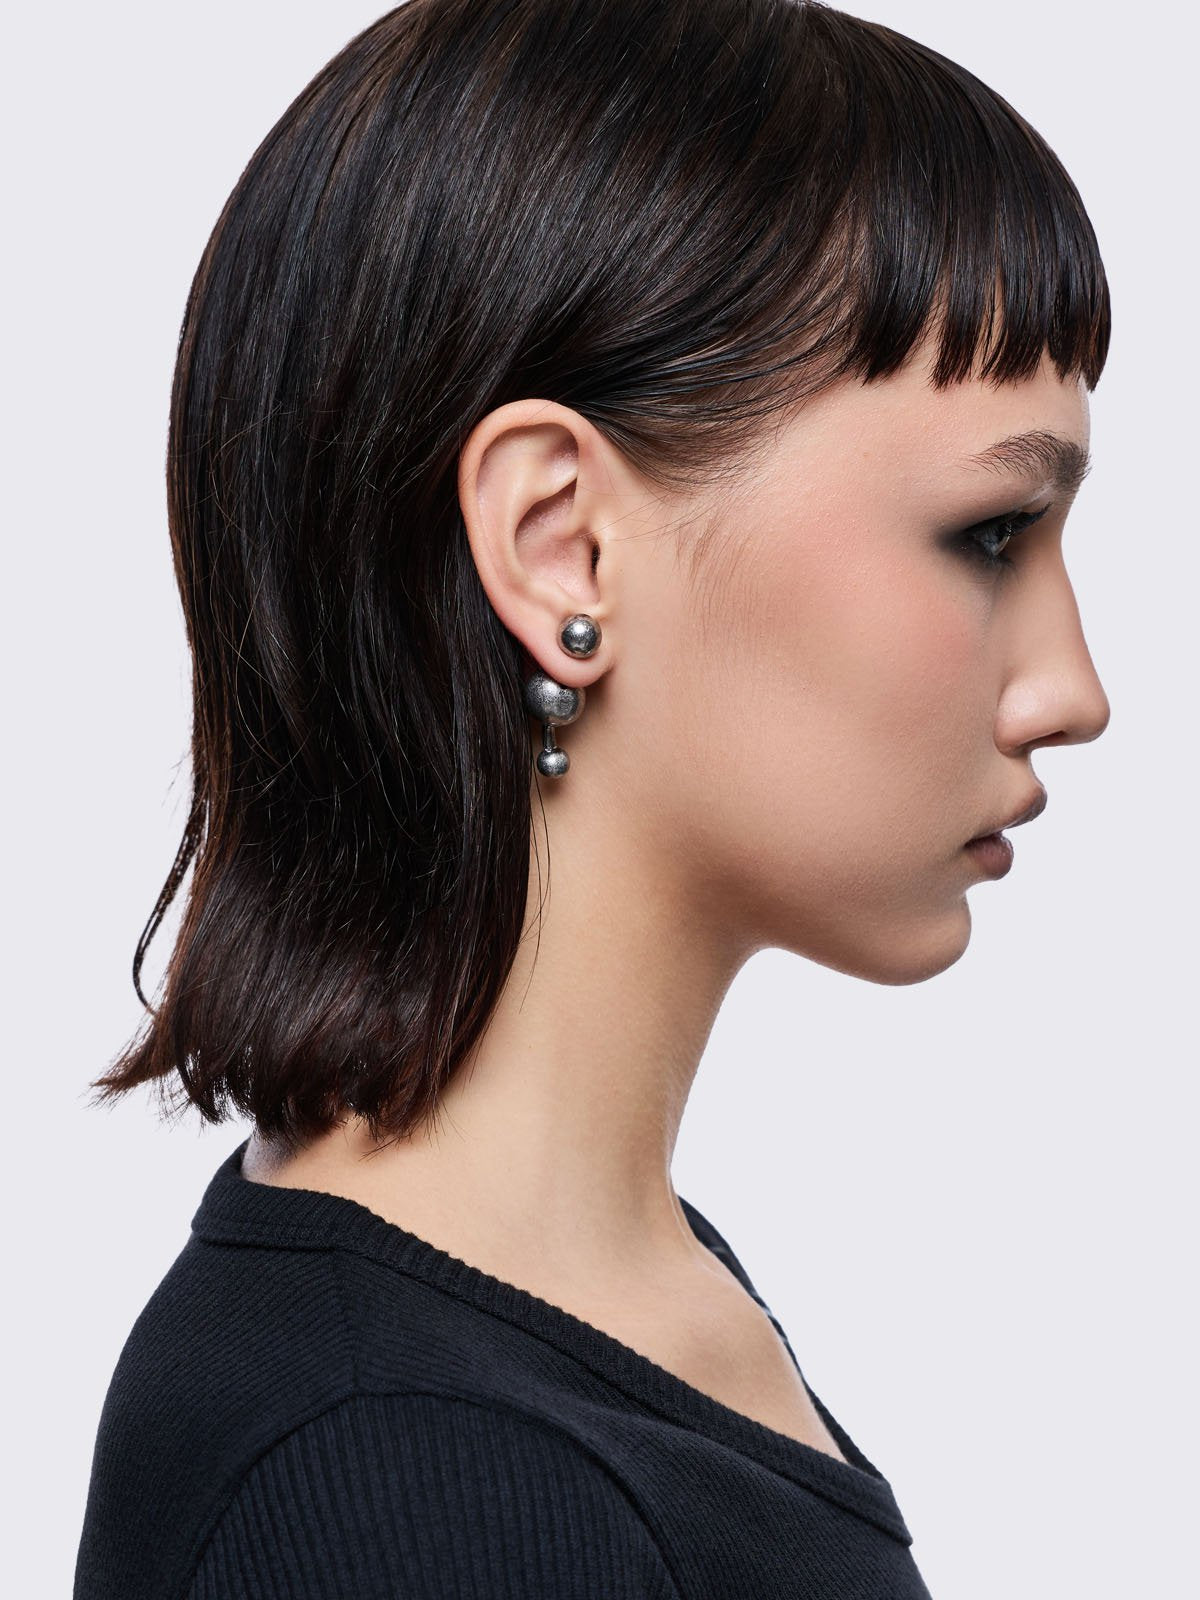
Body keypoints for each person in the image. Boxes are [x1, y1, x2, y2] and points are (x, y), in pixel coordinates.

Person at [73, 0, 1111, 1595]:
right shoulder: (415, 1483)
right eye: (989, 534)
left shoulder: (592, 1327)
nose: (1071, 689)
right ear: (562, 546)